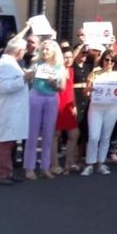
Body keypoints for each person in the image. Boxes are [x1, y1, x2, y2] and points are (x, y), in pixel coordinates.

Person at [0, 38, 32, 185]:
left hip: (13, 109)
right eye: (24, 50)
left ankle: (7, 171)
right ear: (19, 51)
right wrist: (24, 78)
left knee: (10, 142)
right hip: (8, 110)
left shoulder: (9, 63)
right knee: (4, 142)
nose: (25, 53)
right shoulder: (5, 64)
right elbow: (4, 87)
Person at [25, 40, 65, 180]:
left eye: (48, 49)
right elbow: (26, 78)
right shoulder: (36, 63)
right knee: (33, 133)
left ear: (54, 51)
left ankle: (45, 167)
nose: (45, 52)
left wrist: (54, 84)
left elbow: (62, 88)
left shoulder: (59, 66)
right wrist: (30, 74)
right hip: (36, 96)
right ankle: (29, 168)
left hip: (51, 98)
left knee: (49, 134)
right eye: (43, 49)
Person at [82, 51, 117, 177]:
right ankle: (89, 163)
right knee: (94, 136)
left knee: (106, 137)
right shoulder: (95, 73)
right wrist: (91, 88)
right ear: (102, 60)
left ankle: (101, 163)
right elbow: (86, 92)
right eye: (107, 59)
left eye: (112, 60)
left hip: (111, 108)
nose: (109, 63)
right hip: (96, 107)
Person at [52, 47, 80, 175]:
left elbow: (71, 89)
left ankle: (69, 163)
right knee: (55, 135)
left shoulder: (71, 70)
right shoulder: (56, 70)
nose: (68, 59)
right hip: (57, 105)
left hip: (68, 106)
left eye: (70, 57)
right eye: (65, 57)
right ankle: (55, 164)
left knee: (74, 134)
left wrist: (74, 105)